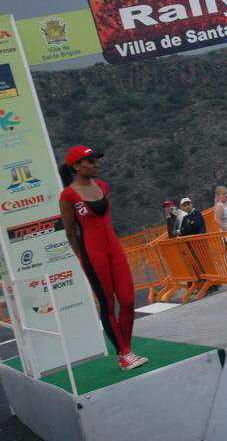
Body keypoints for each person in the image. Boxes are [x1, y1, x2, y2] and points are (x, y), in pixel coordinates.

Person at [58, 145, 149, 371]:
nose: (96, 164)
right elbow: (70, 232)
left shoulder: (103, 186)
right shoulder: (68, 195)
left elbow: (106, 219)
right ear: (77, 166)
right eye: (90, 161)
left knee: (128, 301)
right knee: (108, 304)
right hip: (92, 254)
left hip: (114, 250)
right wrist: (81, 257)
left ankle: (126, 351)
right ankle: (125, 354)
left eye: (96, 160)